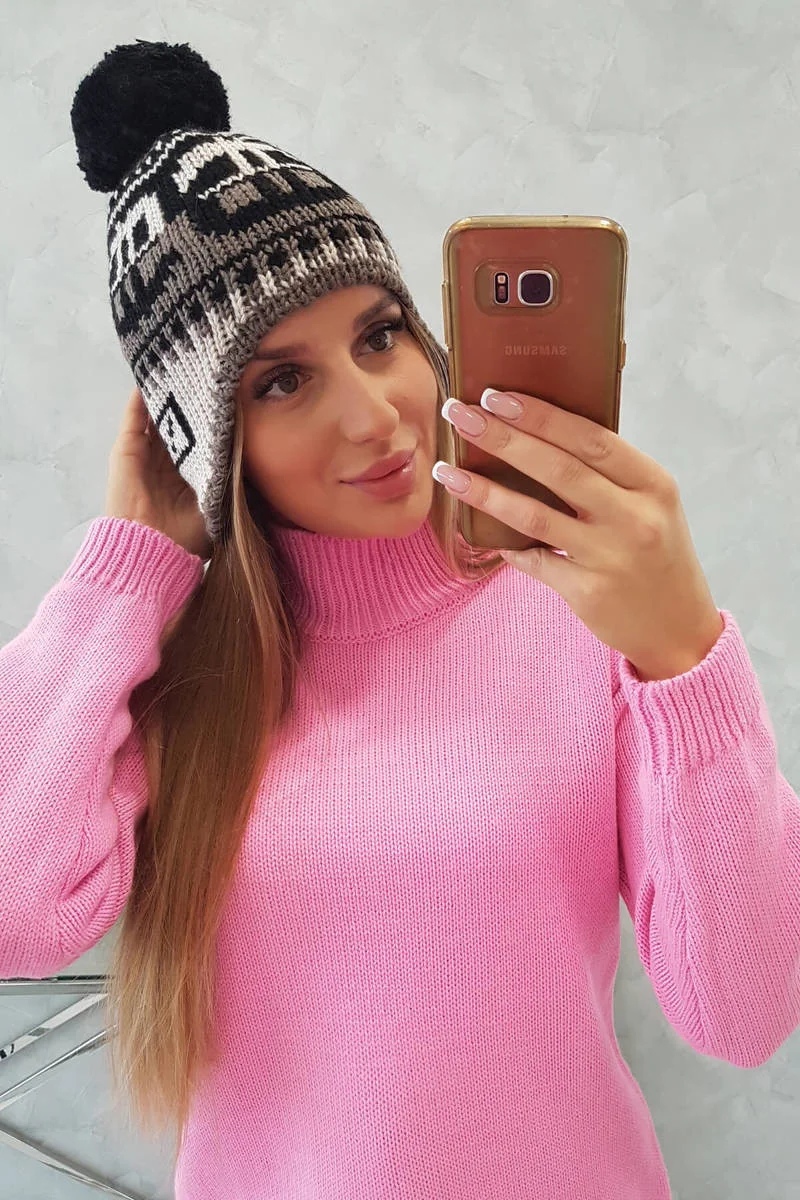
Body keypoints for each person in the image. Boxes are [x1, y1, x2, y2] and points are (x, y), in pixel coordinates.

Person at [1, 39, 798, 1200]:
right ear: (203, 441)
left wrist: (682, 656)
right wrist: (128, 566)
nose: (376, 417)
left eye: (379, 336)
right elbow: (15, 914)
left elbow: (743, 1013)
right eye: (279, 381)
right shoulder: (167, 665)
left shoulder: (575, 603)